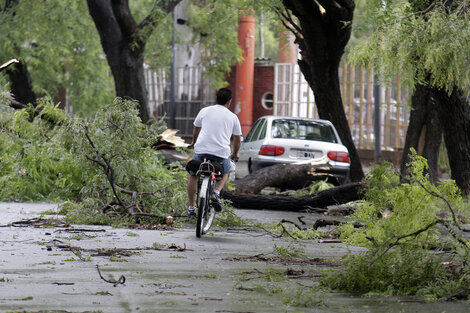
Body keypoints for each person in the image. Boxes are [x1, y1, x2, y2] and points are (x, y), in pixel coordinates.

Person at [187, 88, 242, 218]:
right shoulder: (233, 117)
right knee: (226, 171)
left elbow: (196, 128)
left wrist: (194, 142)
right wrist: (235, 154)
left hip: (201, 150)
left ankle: (191, 208)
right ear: (229, 101)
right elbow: (237, 139)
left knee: (193, 174)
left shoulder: (205, 111)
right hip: (221, 152)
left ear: (216, 98)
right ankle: (216, 192)